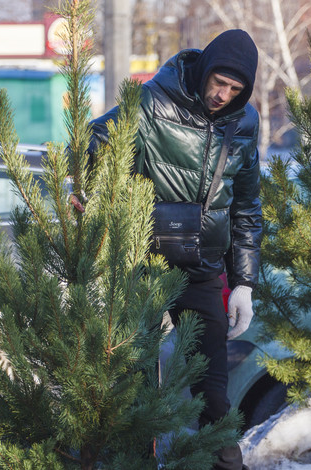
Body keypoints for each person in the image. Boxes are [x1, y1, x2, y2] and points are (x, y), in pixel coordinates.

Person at [87, 29, 262, 470]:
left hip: (202, 270)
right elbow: (96, 142)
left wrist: (243, 283)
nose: (222, 94)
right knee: (137, 385)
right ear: (205, 70)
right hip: (143, 264)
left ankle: (225, 464)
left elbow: (246, 206)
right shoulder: (153, 100)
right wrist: (95, 190)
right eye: (218, 82)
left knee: (214, 392)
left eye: (235, 89)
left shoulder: (245, 122)